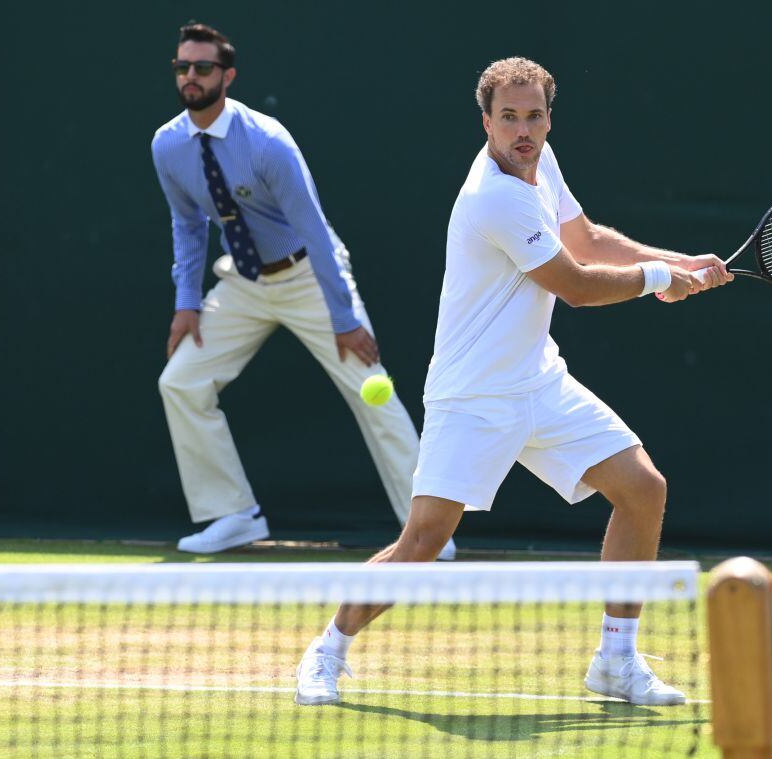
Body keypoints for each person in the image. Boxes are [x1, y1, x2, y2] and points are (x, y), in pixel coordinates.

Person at [293, 56, 731, 707]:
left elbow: (588, 237)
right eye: (508, 118)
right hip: (472, 396)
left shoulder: (540, 163)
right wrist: (661, 281)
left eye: (533, 116)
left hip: (539, 381)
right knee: (423, 542)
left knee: (642, 488)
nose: (522, 130)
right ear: (486, 122)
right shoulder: (493, 196)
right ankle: (327, 647)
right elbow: (577, 285)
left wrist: (674, 259)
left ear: (549, 119)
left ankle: (615, 658)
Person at [151, 23, 455, 560]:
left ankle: (426, 535)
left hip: (308, 275)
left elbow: (314, 231)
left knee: (371, 388)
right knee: (180, 382)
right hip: (242, 282)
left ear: (228, 76)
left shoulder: (267, 141)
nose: (191, 77)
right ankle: (232, 514)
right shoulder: (168, 144)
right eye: (183, 67)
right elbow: (189, 226)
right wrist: (186, 302)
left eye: (202, 68)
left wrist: (344, 315)